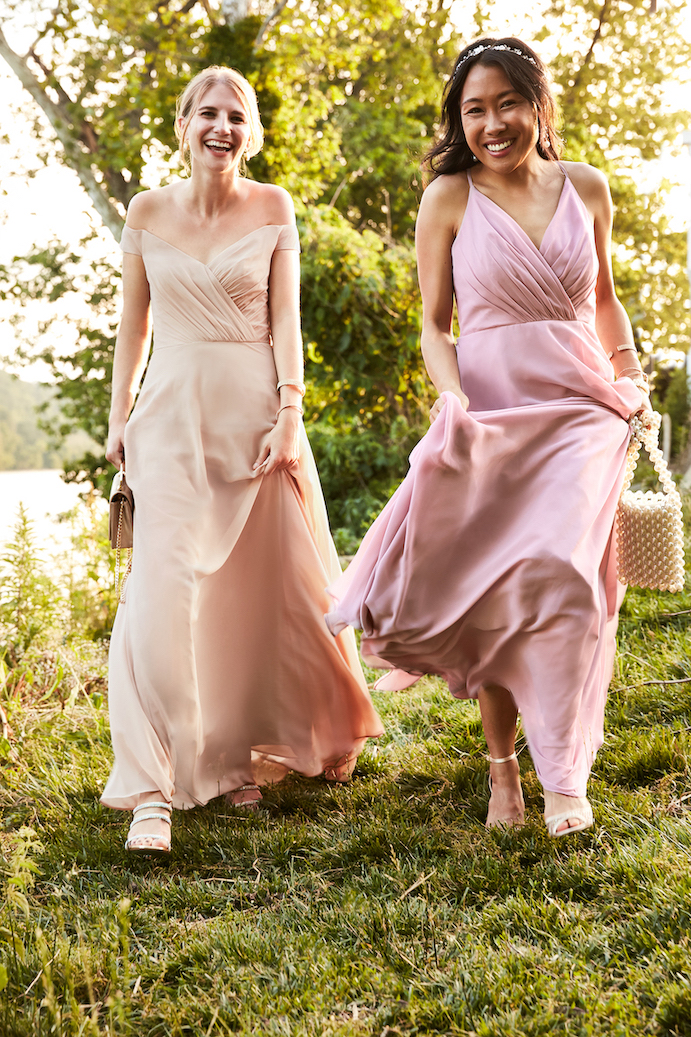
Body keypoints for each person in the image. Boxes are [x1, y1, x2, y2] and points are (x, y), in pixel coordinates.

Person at [326, 38, 652, 837]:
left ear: (538, 105)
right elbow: (435, 327)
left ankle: (562, 775)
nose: (491, 123)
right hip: (490, 408)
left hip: (580, 405)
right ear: (458, 120)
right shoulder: (448, 196)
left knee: (562, 577)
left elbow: (604, 301)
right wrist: (451, 399)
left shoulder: (588, 188)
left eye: (506, 102)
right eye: (473, 109)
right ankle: (502, 771)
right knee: (504, 588)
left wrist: (629, 373)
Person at [102, 66, 383, 855]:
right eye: (208, 114)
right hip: (168, 417)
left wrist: (290, 413)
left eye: (237, 116)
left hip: (256, 416)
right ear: (184, 124)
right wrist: (117, 417)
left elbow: (285, 320)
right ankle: (152, 789)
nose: (221, 127)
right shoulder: (146, 211)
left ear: (249, 131)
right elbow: (134, 326)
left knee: (259, 592)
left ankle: (237, 756)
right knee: (160, 588)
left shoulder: (273, 206)